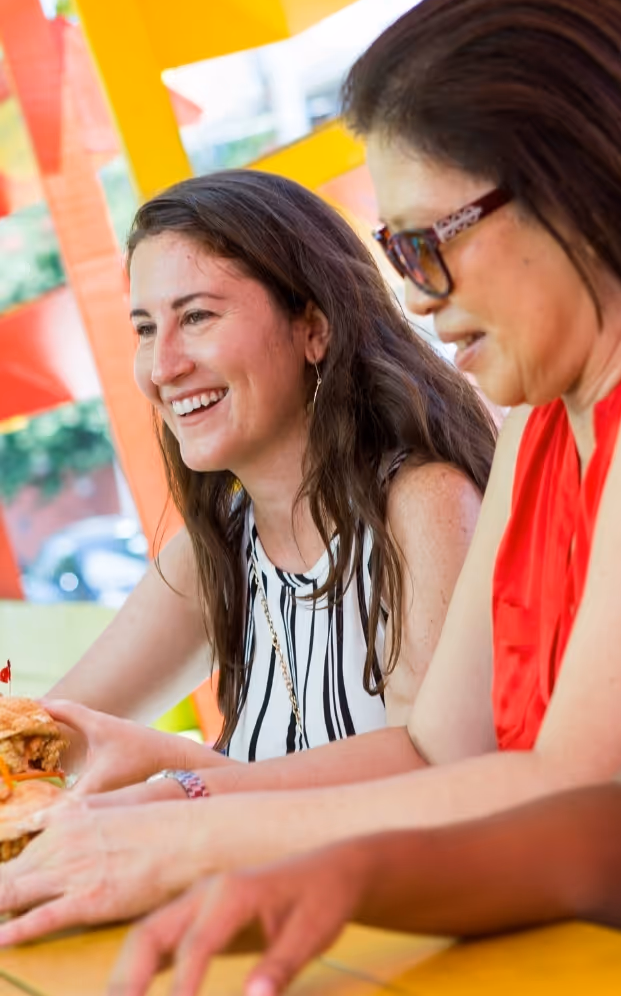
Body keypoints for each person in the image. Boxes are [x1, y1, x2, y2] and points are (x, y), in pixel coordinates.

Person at [2, 0, 621, 949]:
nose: (413, 292)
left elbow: (582, 801)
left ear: (563, 183)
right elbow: (430, 748)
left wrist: (193, 839)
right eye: (397, 256)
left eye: (423, 244)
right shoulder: (544, 420)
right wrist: (157, 812)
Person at [42, 169, 494, 782]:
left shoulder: (423, 504)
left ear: (313, 326)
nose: (163, 366)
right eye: (146, 329)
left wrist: (187, 775)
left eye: (196, 317)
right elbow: (49, 738)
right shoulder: (218, 550)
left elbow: (435, 780)